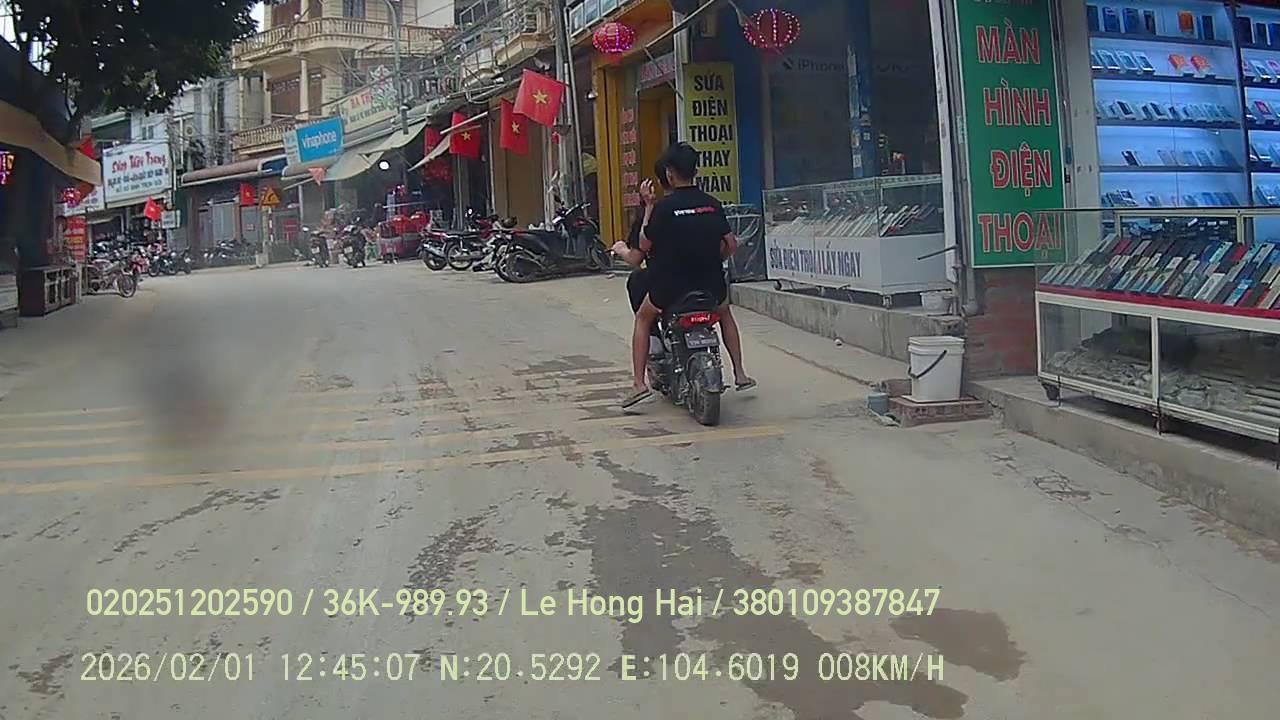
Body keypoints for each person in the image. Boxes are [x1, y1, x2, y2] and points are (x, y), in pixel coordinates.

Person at [613, 142, 755, 408]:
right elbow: (731, 244)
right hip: (710, 284)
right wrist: (716, 258)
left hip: (671, 289)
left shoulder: (664, 209)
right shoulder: (712, 204)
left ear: (669, 174)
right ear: (695, 171)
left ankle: (639, 384)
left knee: (643, 318)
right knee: (725, 313)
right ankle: (739, 373)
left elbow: (643, 246)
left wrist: (648, 207)